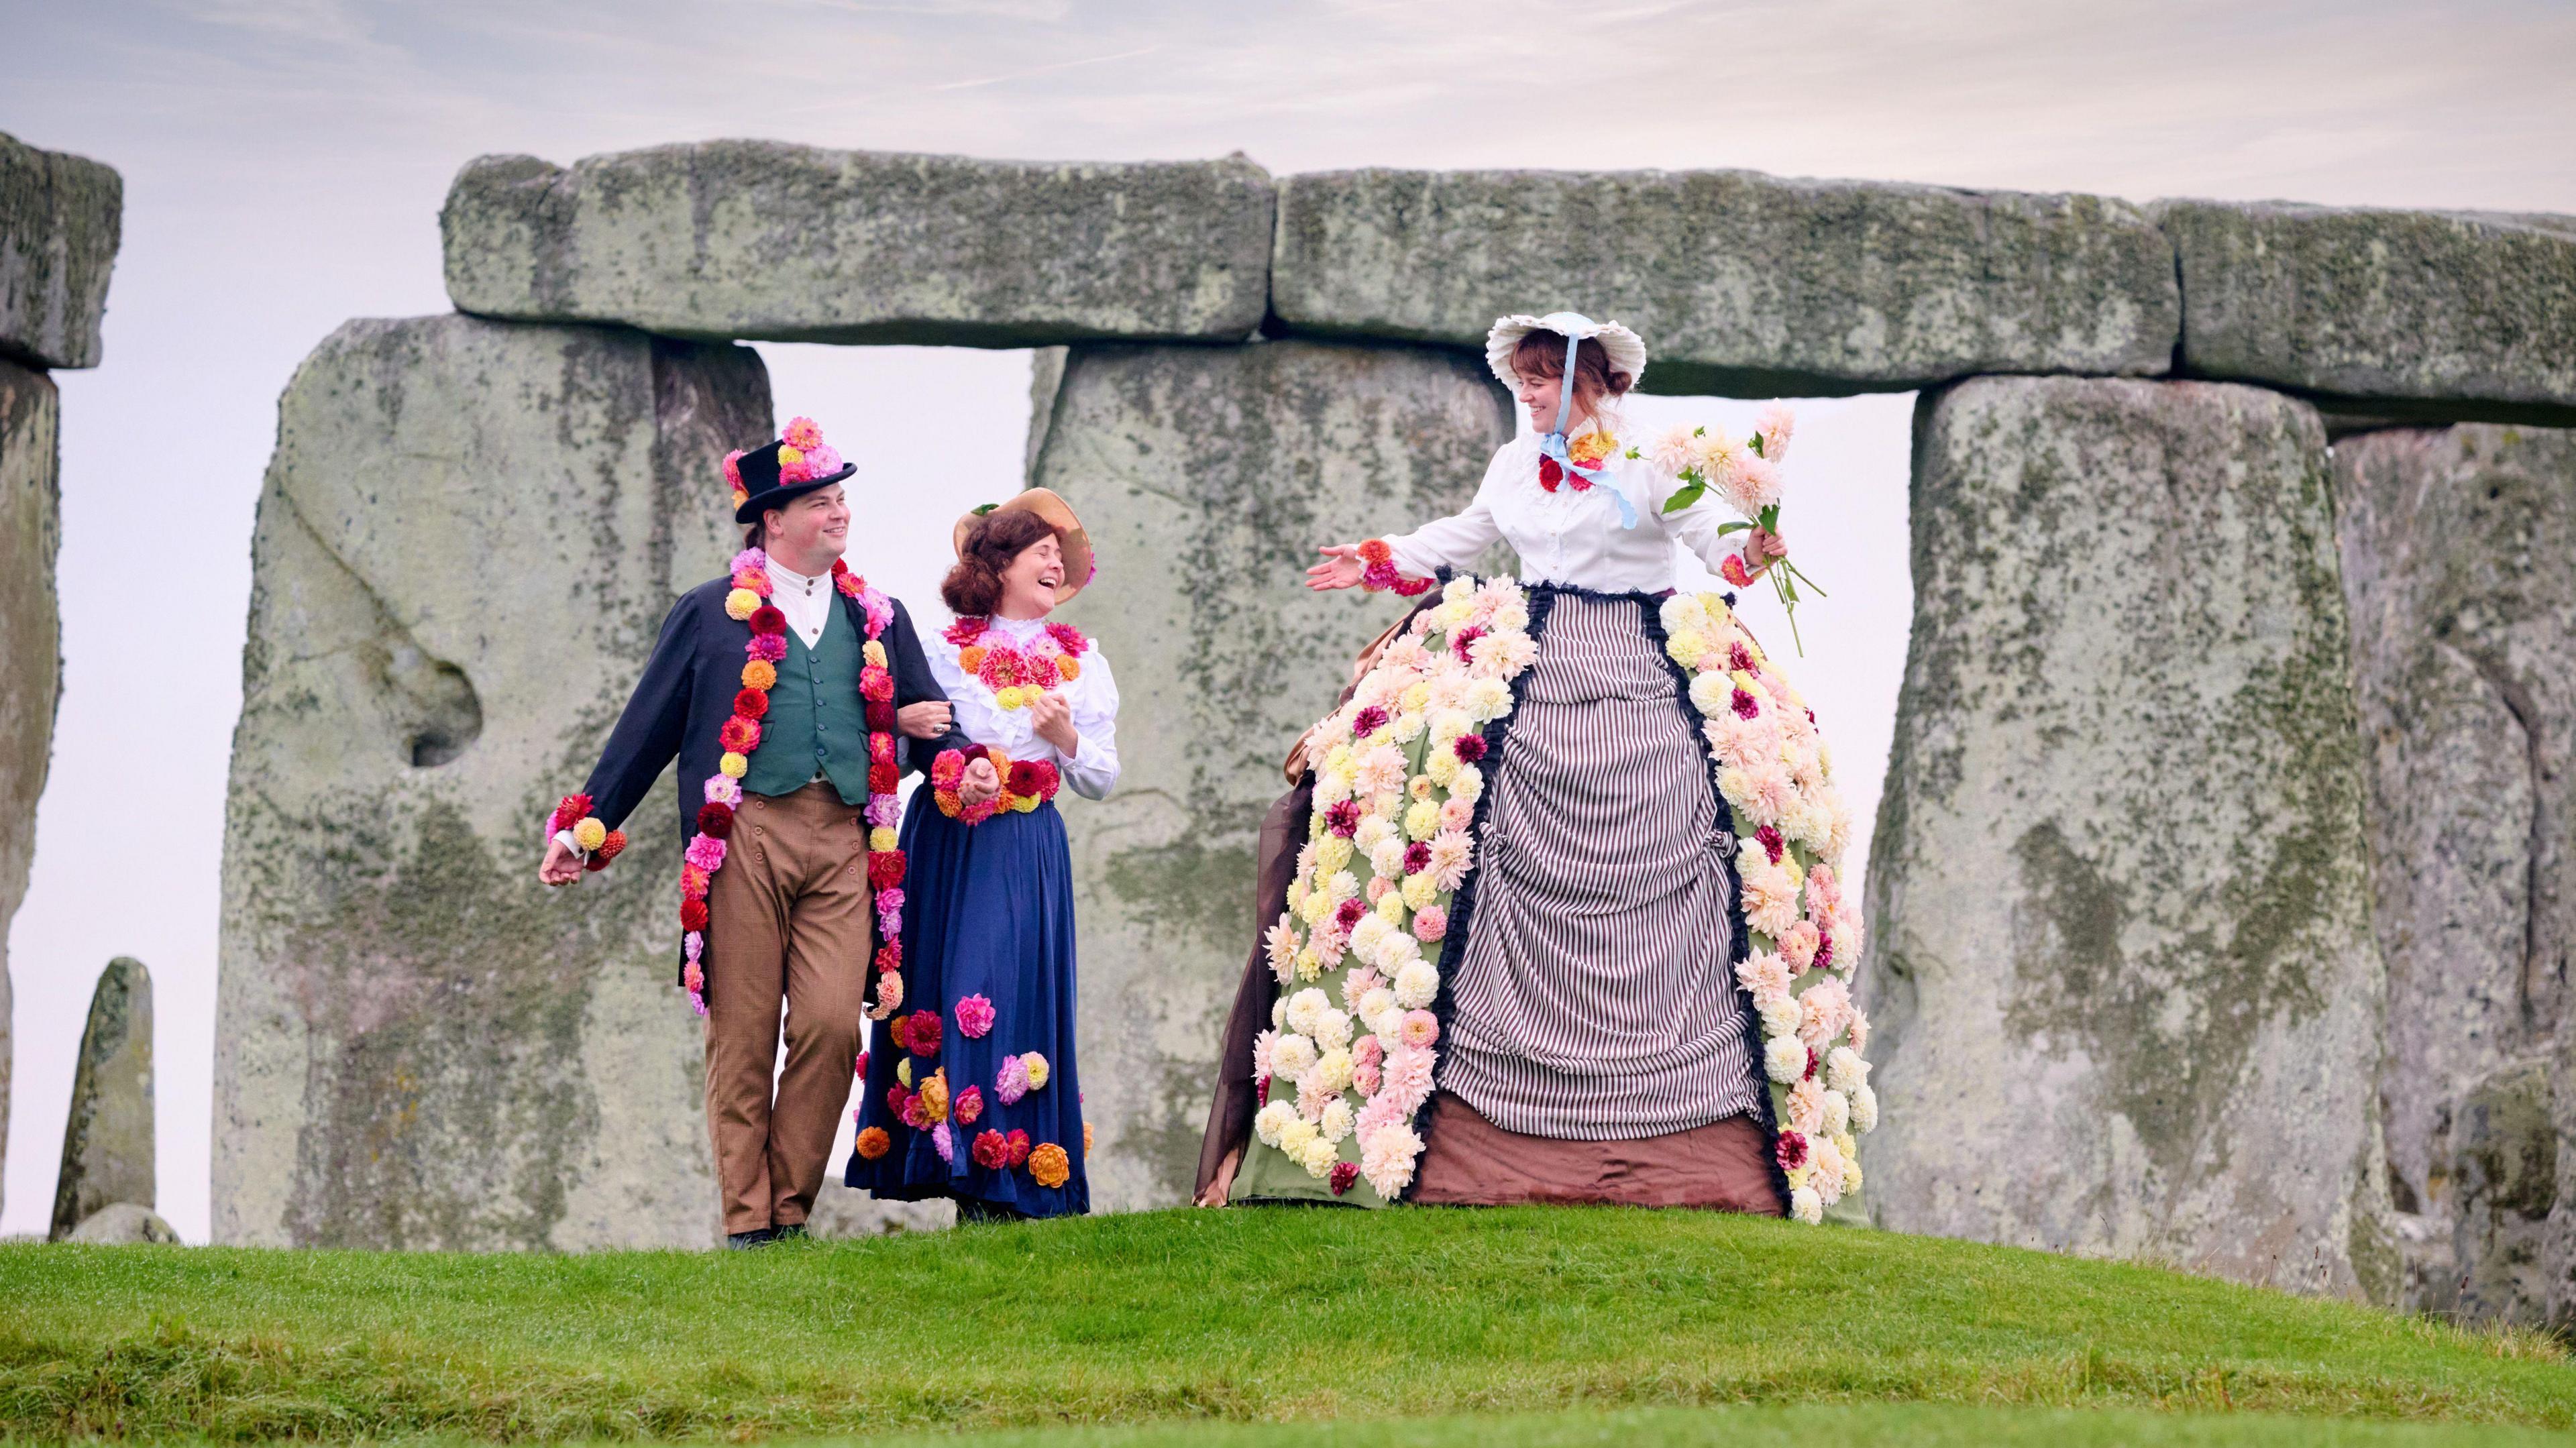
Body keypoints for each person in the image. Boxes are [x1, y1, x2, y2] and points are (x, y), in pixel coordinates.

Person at [1197, 312, 1866, 1219]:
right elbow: (1465, 535)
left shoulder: (1655, 459)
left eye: (1543, 377)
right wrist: (1382, 558)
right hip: (1528, 649)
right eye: (1523, 379)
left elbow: (1714, 544)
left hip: (1640, 656)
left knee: (1708, 809)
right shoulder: (1517, 462)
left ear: (1590, 378)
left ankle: (1695, 1134)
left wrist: (1757, 545)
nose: (1530, 393)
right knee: (1431, 799)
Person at [537, 419, 997, 1249]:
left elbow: (928, 718)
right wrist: (584, 828)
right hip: (745, 831)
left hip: (848, 838)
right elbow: (645, 730)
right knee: (743, 1031)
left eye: (842, 499)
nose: (840, 513)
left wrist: (962, 758)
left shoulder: (879, 614)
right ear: (771, 520)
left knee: (829, 1024)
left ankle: (788, 1206)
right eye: (821, 501)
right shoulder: (711, 612)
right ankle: (753, 1223)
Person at [846, 490, 1118, 1221]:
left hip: (1026, 844)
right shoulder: (938, 647)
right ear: (997, 564)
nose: (1055, 563)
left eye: (1061, 557)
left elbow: (1103, 776)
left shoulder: (1082, 661)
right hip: (947, 838)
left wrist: (1064, 738)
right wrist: (906, 724)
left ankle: (1007, 1178)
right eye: (1041, 552)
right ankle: (960, 1165)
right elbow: (900, 747)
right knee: (948, 987)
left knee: (1010, 987)